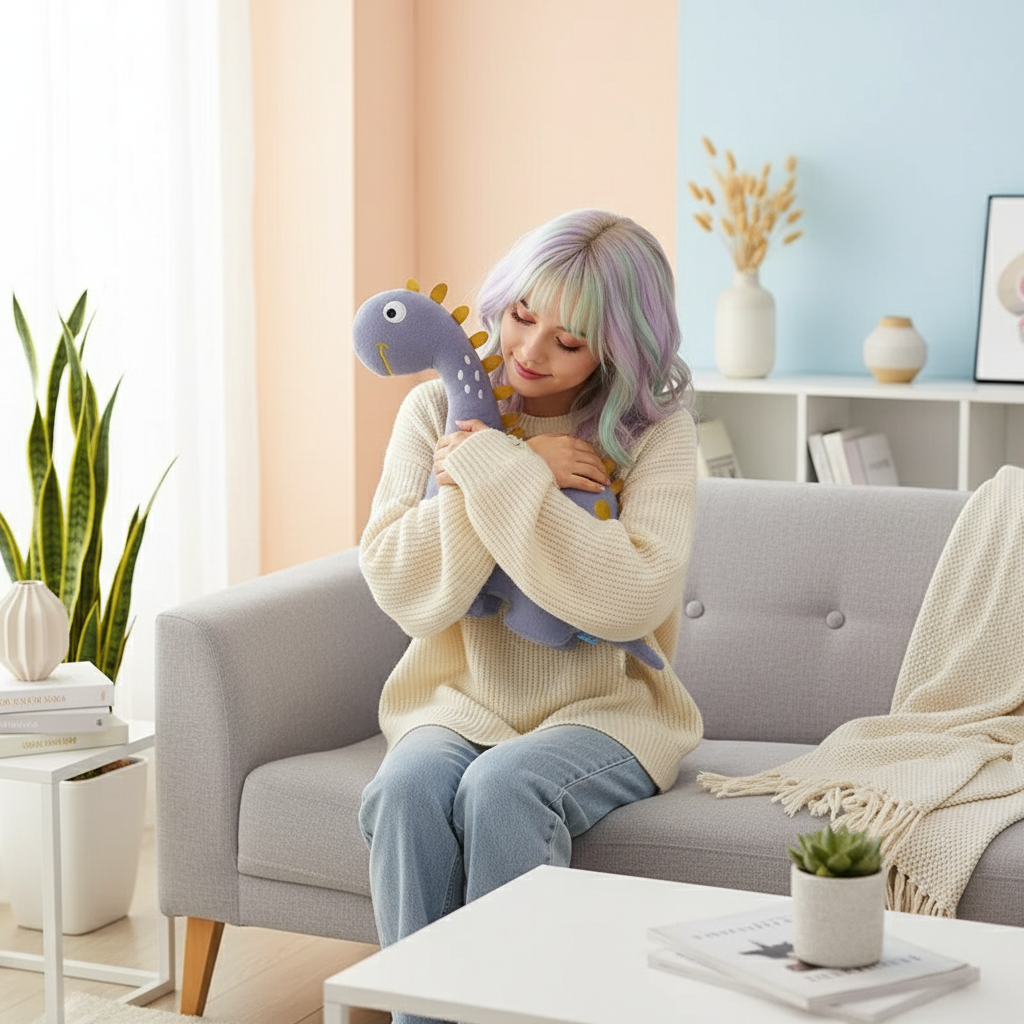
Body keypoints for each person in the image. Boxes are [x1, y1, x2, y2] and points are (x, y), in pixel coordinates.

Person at [358, 209, 702, 1024]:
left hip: (606, 711)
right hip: (458, 700)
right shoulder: (431, 412)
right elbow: (405, 588)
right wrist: (506, 458)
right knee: (405, 789)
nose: (530, 352)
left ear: (616, 350)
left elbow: (629, 593)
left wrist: (492, 469)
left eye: (569, 341)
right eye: (521, 316)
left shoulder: (655, 437)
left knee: (503, 787)